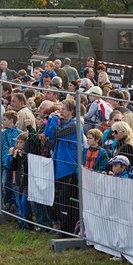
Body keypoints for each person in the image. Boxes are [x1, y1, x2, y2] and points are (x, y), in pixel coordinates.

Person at [44, 98, 82, 234]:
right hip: (59, 167)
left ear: (71, 111)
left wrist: (54, 119)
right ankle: (58, 224)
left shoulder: (74, 125)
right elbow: (48, 134)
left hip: (69, 167)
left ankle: (67, 229)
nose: (61, 111)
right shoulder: (62, 123)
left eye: (64, 109)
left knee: (65, 199)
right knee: (57, 199)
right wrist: (51, 120)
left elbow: (57, 133)